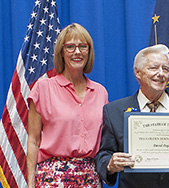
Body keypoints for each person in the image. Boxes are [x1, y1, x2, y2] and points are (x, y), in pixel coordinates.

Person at [94, 44, 169, 188]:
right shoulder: (114, 111)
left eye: (165, 69)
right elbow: (103, 154)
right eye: (154, 68)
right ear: (138, 73)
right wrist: (110, 164)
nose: (161, 73)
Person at [27, 23, 108, 187]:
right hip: (53, 178)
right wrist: (29, 184)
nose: (77, 52)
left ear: (89, 51)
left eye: (82, 47)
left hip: (90, 177)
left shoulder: (101, 92)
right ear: (61, 52)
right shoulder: (43, 89)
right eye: (70, 47)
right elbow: (33, 141)